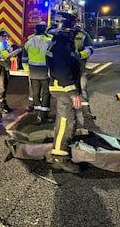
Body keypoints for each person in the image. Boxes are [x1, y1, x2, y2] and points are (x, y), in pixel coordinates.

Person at [46, 16, 82, 173]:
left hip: (61, 87)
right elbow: (61, 69)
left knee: (63, 120)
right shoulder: (61, 45)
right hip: (63, 88)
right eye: (74, 27)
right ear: (67, 28)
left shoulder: (61, 42)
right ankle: (60, 158)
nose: (75, 30)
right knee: (67, 122)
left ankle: (58, 151)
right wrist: (73, 92)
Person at [22, 21, 52, 124]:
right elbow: (52, 56)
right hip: (45, 72)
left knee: (35, 93)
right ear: (44, 30)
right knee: (46, 93)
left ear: (35, 30)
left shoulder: (29, 42)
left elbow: (24, 58)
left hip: (33, 71)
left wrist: (27, 70)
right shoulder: (49, 41)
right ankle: (43, 116)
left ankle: (37, 114)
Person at [0, 30, 21, 114]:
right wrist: (8, 57)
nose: (5, 38)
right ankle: (0, 106)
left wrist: (14, 53)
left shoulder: (6, 44)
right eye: (3, 36)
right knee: (1, 87)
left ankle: (4, 105)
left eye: (6, 36)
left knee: (5, 85)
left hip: (5, 67)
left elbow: (9, 52)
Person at [74, 23, 95, 120]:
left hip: (80, 67)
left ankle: (86, 112)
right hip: (68, 70)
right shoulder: (64, 35)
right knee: (68, 92)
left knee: (83, 90)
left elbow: (90, 49)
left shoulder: (83, 35)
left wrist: (79, 55)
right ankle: (70, 113)